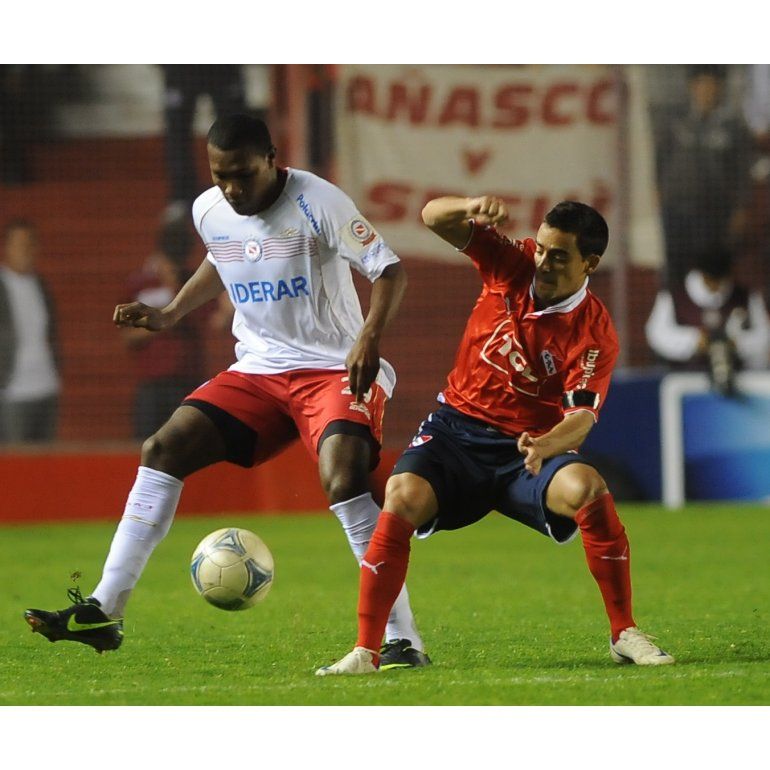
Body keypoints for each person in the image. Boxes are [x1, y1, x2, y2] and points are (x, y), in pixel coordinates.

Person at [24, 114, 429, 670]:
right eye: (221, 176)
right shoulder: (209, 209)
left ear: (272, 159)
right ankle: (104, 609)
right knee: (162, 449)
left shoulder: (319, 201)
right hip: (259, 371)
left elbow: (389, 272)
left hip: (332, 368)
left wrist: (368, 338)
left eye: (243, 174)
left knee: (343, 478)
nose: (233, 189)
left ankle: (402, 639)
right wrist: (170, 313)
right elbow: (221, 257)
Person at [317, 195, 674, 676]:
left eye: (558, 256)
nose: (543, 262)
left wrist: (545, 444)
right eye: (542, 248)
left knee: (588, 488)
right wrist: (469, 205)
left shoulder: (594, 331)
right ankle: (367, 650)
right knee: (400, 496)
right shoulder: (513, 262)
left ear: (590, 263)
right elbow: (431, 216)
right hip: (456, 432)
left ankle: (624, 632)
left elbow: (582, 419)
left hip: (528, 451)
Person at [654, 64, 754, 288]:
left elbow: (742, 171)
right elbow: (660, 159)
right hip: (676, 207)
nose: (707, 90)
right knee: (675, 265)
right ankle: (675, 305)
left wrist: (741, 208)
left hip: (715, 211)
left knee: (710, 267)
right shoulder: (675, 122)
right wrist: (658, 191)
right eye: (702, 84)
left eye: (712, 85)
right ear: (692, 86)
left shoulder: (733, 127)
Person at [121, 220, 208, 439]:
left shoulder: (194, 283)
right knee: (147, 444)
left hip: (187, 380)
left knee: (188, 444)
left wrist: (174, 287)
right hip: (152, 384)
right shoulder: (140, 284)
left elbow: (203, 321)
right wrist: (160, 322)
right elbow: (128, 336)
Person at [645, 247, 770, 394]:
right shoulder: (674, 296)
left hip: (740, 381)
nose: (716, 286)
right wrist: (694, 341)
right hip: (684, 382)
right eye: (711, 281)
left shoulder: (746, 297)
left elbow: (764, 336)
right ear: (701, 274)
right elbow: (656, 334)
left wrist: (737, 343)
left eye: (720, 281)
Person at [160, 65, 248, 223]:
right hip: (180, 69)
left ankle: (239, 187)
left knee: (234, 129)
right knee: (177, 132)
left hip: (223, 68)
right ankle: (181, 196)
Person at [0, 219, 60, 443]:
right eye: (19, 244)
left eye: (30, 244)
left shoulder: (41, 285)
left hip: (46, 385)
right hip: (11, 391)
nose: (25, 250)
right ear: (6, 247)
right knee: (14, 458)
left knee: (46, 458)